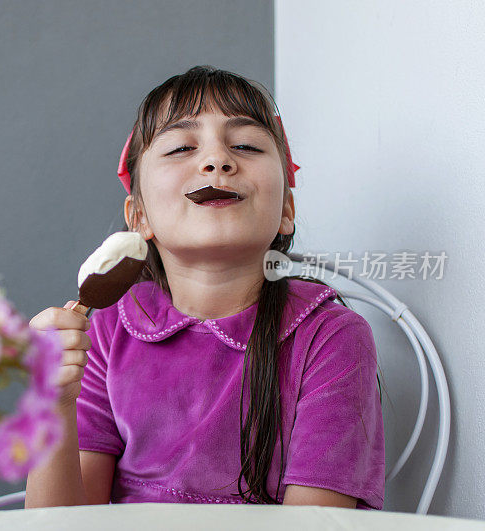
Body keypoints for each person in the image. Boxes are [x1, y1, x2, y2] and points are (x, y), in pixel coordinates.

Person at [25, 66, 385, 510]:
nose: (217, 161)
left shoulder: (330, 338)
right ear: (139, 218)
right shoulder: (104, 334)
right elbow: (61, 522)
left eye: (246, 146)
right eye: (181, 147)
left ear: (286, 210)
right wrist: (52, 402)